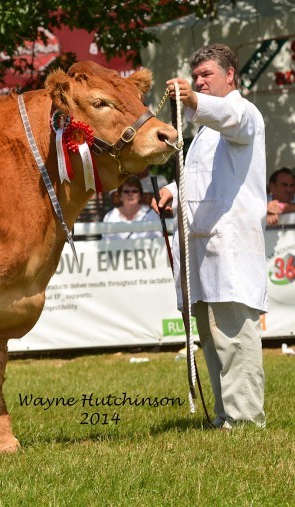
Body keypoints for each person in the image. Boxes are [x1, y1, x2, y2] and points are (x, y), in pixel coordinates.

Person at [154, 43, 267, 430]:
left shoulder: (243, 112)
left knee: (234, 339)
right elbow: (204, 173)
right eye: (196, 75)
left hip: (232, 248)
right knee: (213, 341)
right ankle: (224, 416)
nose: (200, 81)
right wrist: (173, 187)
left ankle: (246, 420)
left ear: (230, 75)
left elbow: (229, 116)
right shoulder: (203, 131)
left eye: (207, 75)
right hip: (203, 249)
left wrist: (193, 99)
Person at [103, 175, 162, 240]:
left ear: (140, 195)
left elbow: (158, 240)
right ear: (120, 196)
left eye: (135, 191)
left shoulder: (152, 215)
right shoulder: (110, 217)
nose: (130, 194)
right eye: (126, 191)